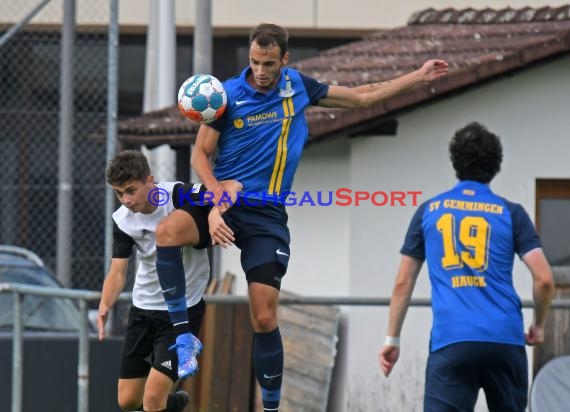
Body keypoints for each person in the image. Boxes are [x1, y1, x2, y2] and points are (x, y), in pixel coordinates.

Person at [156, 23, 449, 411]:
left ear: (285, 60)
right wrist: (213, 203)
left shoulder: (298, 88)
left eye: (269, 63)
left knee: (263, 316)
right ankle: (183, 336)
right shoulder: (224, 96)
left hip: (266, 214)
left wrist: (418, 76)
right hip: (223, 200)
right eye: (255, 62)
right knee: (167, 232)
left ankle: (272, 408)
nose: (260, 70)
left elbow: (363, 97)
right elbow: (199, 156)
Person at [378, 122, 555, 412]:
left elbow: (403, 282)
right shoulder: (512, 213)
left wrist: (392, 339)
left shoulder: (428, 212)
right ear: (496, 165)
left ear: (455, 163)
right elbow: (545, 279)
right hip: (504, 340)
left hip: (452, 340)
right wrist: (538, 324)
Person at [97, 150, 241, 412]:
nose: (126, 200)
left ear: (149, 180)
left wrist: (212, 214)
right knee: (128, 401)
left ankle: (163, 404)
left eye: (130, 190)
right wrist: (105, 304)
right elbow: (118, 270)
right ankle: (173, 405)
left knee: (152, 399)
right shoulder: (122, 220)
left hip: (181, 313)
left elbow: (223, 192)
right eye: (119, 193)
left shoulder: (178, 195)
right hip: (142, 310)